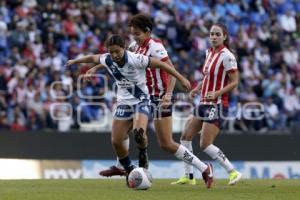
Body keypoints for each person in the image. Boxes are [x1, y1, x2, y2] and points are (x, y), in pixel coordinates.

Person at [66, 34, 213, 188]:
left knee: (142, 133)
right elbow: (94, 57)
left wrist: (181, 79)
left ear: (124, 48)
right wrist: (76, 61)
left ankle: (143, 154)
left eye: (117, 51)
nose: (115, 55)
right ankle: (127, 168)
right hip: (124, 103)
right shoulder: (117, 54)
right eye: (112, 52)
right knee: (116, 140)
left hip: (143, 100)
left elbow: (162, 65)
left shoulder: (138, 57)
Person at [99, 14, 214, 188]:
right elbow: (113, 59)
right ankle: (121, 165)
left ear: (147, 32)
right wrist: (94, 67)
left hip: (160, 97)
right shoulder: (133, 46)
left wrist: (168, 95)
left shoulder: (155, 47)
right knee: (122, 131)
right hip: (141, 97)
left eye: (137, 33)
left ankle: (204, 168)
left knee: (166, 143)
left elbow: (170, 70)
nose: (134, 37)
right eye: (132, 33)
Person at [171, 23, 242, 186]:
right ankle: (189, 177)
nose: (214, 37)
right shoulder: (209, 53)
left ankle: (233, 172)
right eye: (212, 34)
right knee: (185, 136)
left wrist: (217, 93)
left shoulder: (227, 56)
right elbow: (208, 77)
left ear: (224, 36)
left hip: (217, 104)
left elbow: (235, 82)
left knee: (205, 144)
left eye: (217, 34)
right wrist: (198, 88)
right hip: (203, 102)